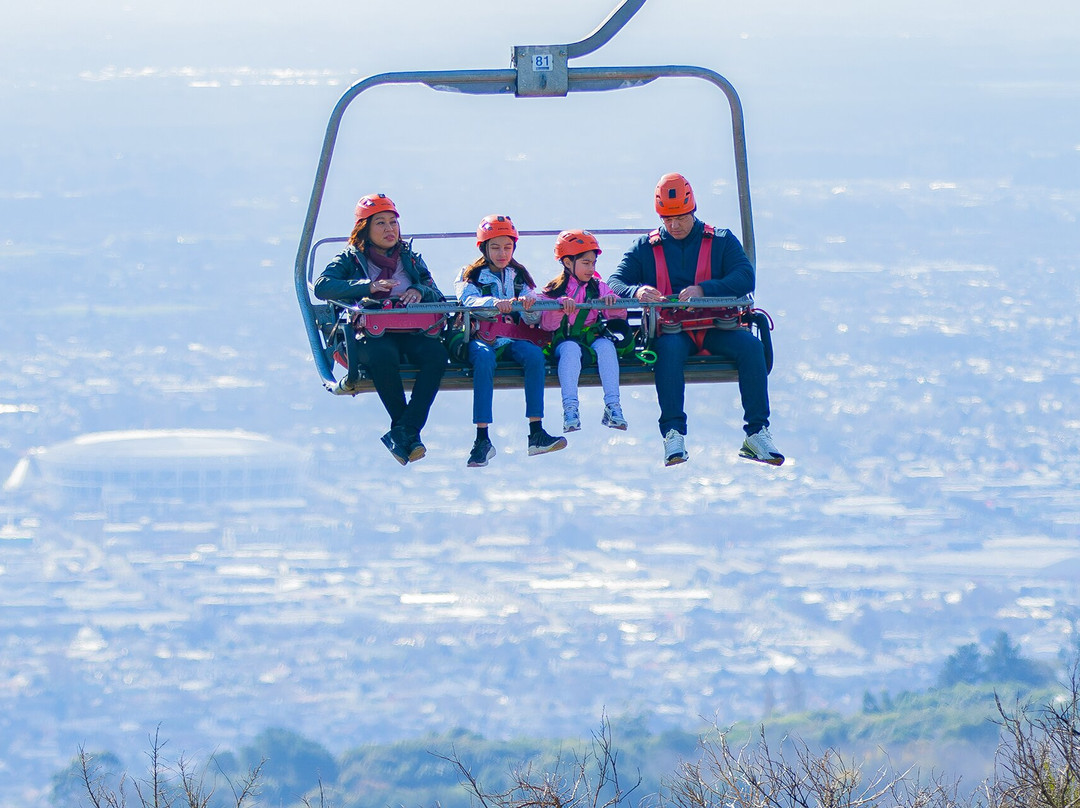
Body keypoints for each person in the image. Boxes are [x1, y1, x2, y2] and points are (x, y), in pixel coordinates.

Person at [607, 173, 784, 467]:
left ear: (693, 210)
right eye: (667, 219)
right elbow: (614, 282)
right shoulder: (645, 248)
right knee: (669, 353)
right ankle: (673, 433)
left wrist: (705, 290)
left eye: (680, 218)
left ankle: (756, 432)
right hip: (672, 330)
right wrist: (637, 290)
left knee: (751, 348)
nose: (674, 226)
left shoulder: (722, 241)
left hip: (717, 327)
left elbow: (744, 277)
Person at [314, 193, 448, 465]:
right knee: (382, 355)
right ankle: (407, 431)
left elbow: (435, 291)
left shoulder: (408, 257)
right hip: (371, 334)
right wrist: (368, 287)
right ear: (365, 229)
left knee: (435, 355)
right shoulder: (350, 259)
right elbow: (322, 286)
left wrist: (418, 291)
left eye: (393, 223)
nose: (390, 230)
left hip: (411, 329)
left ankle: (403, 432)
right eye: (381, 224)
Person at [455, 214, 567, 467]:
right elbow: (468, 301)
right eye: (495, 247)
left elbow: (534, 308)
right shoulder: (469, 275)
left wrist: (529, 305)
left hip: (510, 338)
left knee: (534, 356)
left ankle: (536, 431)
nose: (502, 253)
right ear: (484, 248)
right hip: (481, 336)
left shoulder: (518, 275)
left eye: (507, 247)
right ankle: (481, 438)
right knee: (484, 359)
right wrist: (493, 304)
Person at [534, 229, 628, 433]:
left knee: (606, 346)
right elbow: (548, 326)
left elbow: (617, 318)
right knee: (569, 349)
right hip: (563, 343)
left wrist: (613, 304)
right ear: (568, 262)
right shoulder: (553, 291)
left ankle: (613, 406)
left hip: (590, 340)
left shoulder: (598, 287)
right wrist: (559, 308)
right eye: (586, 263)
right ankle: (570, 409)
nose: (591, 268)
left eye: (593, 263)